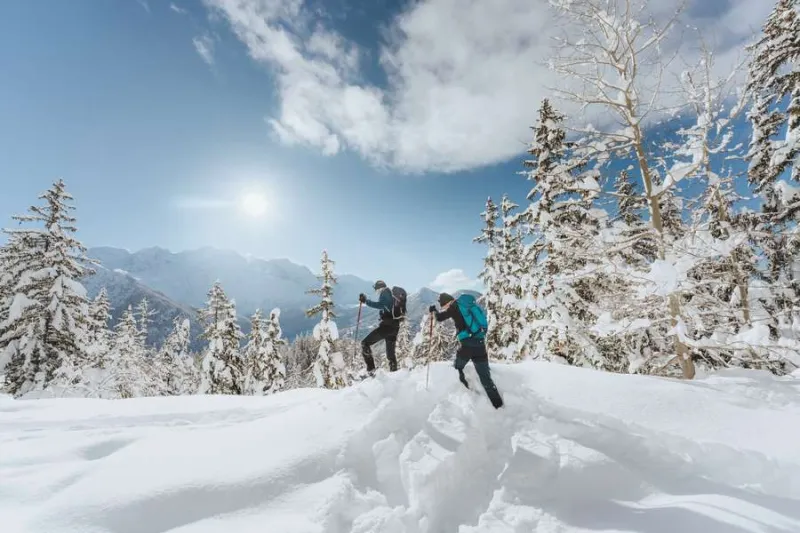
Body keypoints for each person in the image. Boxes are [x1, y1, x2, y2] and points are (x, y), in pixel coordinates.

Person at [429, 292, 504, 409]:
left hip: (467, 346)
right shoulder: (467, 305)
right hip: (480, 344)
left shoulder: (454, 307)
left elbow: (440, 318)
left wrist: (433, 311)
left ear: (447, 302)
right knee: (486, 379)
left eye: (443, 306)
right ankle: (498, 406)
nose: (444, 308)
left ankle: (466, 392)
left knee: (457, 369)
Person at [359, 280, 401, 374]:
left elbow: (381, 305)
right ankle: (394, 374)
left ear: (379, 288)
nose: (376, 291)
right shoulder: (390, 294)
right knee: (390, 355)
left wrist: (366, 301)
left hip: (387, 327)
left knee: (365, 343)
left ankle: (371, 370)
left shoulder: (385, 292)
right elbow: (386, 307)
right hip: (394, 326)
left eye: (376, 289)